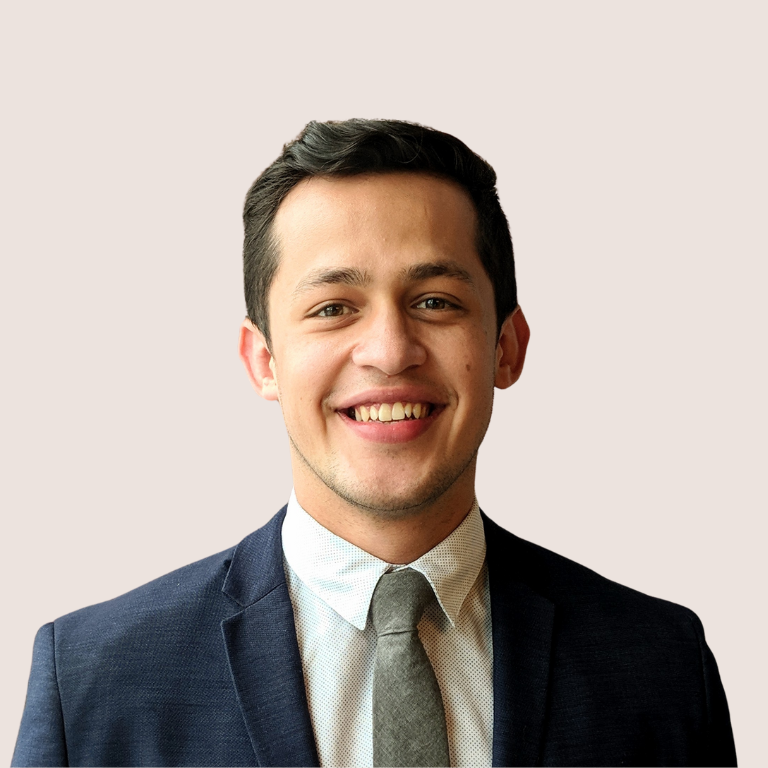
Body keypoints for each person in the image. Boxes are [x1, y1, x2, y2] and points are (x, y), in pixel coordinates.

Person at [12, 119, 736, 767]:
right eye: (333, 307)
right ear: (263, 360)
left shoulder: (660, 666)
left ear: (506, 346)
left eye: (435, 302)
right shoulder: (94, 681)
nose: (390, 351)